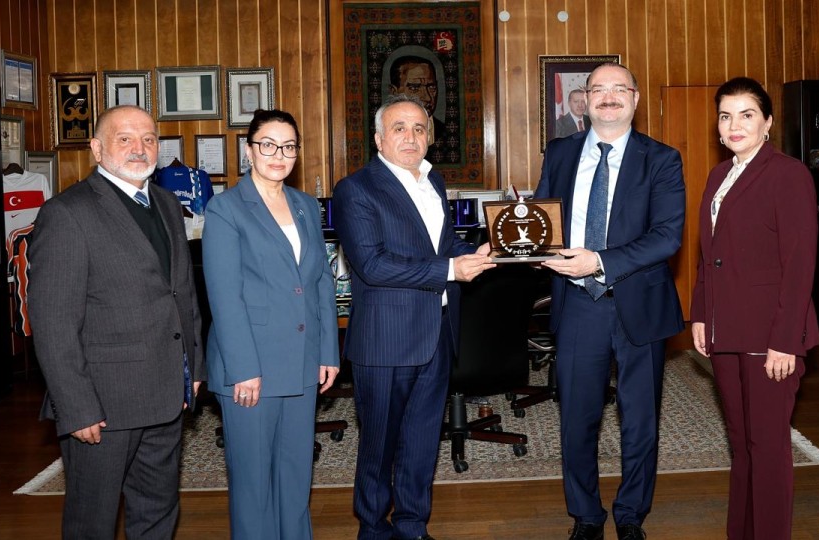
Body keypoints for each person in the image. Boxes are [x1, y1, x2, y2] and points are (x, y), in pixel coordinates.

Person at [28, 105, 205, 539]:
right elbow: (54, 324)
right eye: (124, 139)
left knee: (158, 513)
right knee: (93, 521)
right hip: (104, 407)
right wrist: (76, 407)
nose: (139, 148)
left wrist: (194, 368)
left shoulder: (167, 204)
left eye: (148, 139)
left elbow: (182, 293)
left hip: (166, 394)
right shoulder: (67, 213)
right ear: (96, 148)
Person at [332, 94, 495, 540]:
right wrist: (450, 270)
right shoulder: (356, 189)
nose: (411, 137)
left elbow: (441, 245)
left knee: (422, 444)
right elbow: (373, 265)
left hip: (437, 334)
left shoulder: (433, 181)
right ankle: (372, 529)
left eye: (419, 129)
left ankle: (412, 526)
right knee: (379, 447)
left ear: (430, 137)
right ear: (379, 139)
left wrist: (478, 251)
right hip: (386, 340)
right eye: (399, 128)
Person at [534, 62, 686, 540]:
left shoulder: (662, 159)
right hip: (578, 304)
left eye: (619, 88)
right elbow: (542, 218)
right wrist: (527, 249)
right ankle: (585, 515)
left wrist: (598, 261)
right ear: (585, 100)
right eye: (598, 88)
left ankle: (631, 515)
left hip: (639, 302)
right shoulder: (560, 153)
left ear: (635, 99)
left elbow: (667, 237)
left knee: (640, 420)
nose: (608, 96)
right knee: (577, 418)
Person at [690, 77, 819, 540]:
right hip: (726, 329)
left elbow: (799, 265)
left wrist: (785, 341)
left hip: (770, 335)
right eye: (726, 116)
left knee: (767, 448)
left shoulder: (788, 174)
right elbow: (708, 254)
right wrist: (701, 313)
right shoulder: (718, 175)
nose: (735, 125)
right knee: (742, 445)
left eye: (747, 115)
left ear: (767, 123)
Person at [202, 109, 340, 540]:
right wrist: (243, 368)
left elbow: (320, 281)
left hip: (302, 361)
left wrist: (328, 351)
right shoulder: (225, 209)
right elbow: (224, 297)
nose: (279, 154)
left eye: (288, 146)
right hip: (252, 368)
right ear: (249, 151)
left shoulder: (305, 205)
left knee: (296, 475)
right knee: (254, 484)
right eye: (268, 145)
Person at [388, 55, 450, 163]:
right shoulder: (382, 134)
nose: (427, 97)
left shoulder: (449, 133)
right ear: (394, 92)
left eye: (431, 87)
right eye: (414, 88)